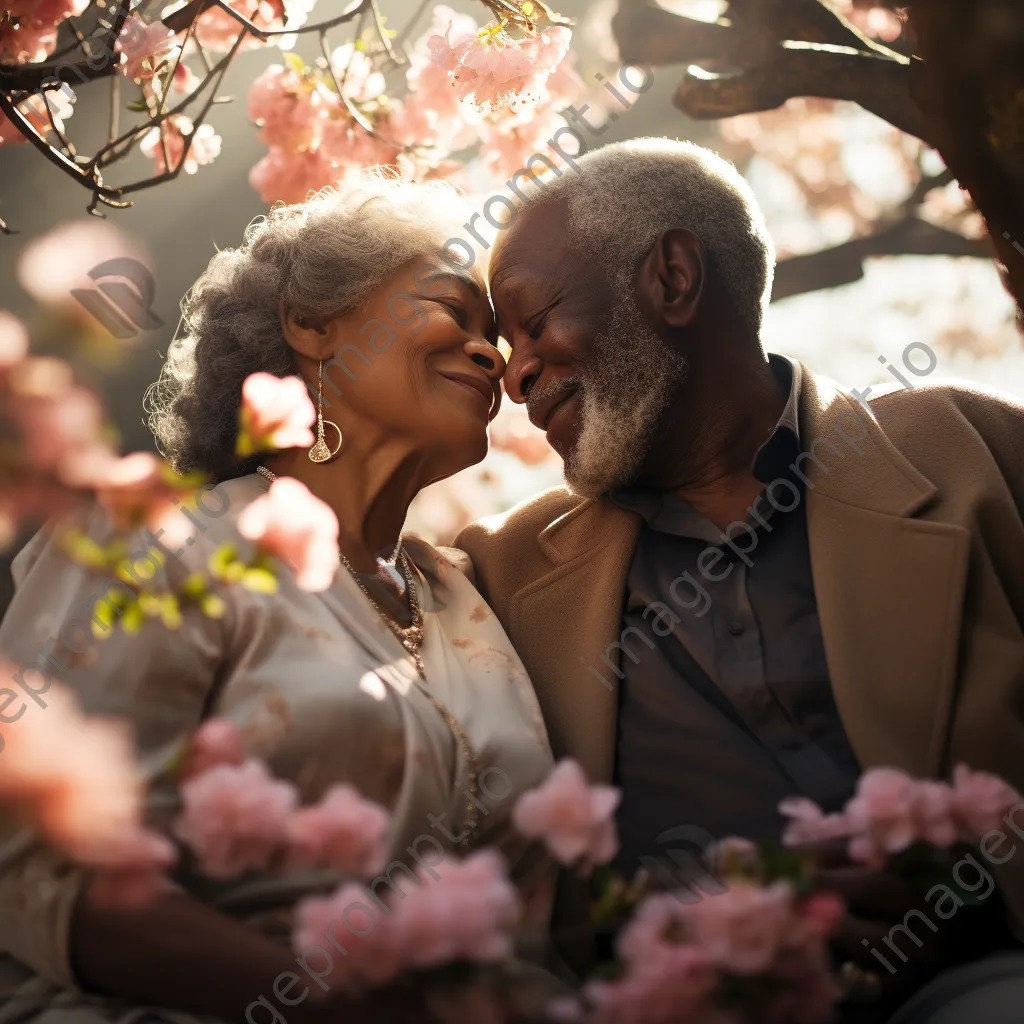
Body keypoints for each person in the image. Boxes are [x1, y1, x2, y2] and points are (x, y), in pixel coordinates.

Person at [458, 137, 1024, 1023]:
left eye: (533, 322)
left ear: (673, 277)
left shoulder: (970, 447)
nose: (517, 372)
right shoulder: (494, 575)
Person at [0, 177, 555, 1024]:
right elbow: (35, 865)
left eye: (500, 340)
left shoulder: (471, 594)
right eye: (454, 311)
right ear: (311, 324)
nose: (494, 358)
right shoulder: (156, 540)